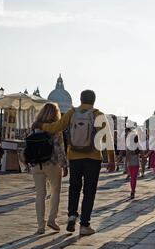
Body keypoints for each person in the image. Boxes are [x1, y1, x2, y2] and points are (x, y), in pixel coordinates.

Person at [36, 90, 115, 236]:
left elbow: (56, 127)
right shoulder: (98, 114)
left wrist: (42, 126)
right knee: (89, 191)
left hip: (75, 157)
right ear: (94, 100)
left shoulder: (72, 113)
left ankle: (72, 215)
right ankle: (84, 224)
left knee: (74, 187)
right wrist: (111, 159)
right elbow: (108, 139)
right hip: (93, 158)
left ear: (80, 99)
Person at [30, 103, 68, 234]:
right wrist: (64, 165)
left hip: (36, 164)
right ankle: (52, 219)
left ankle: (40, 226)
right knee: (55, 191)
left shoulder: (35, 125)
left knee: (40, 194)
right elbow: (59, 148)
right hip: (52, 163)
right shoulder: (55, 127)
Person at [126, 134, 141, 199]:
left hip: (130, 164)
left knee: (132, 178)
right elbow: (142, 154)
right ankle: (133, 190)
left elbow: (127, 155)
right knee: (134, 178)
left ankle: (132, 190)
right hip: (136, 164)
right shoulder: (138, 146)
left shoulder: (129, 146)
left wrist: (126, 163)